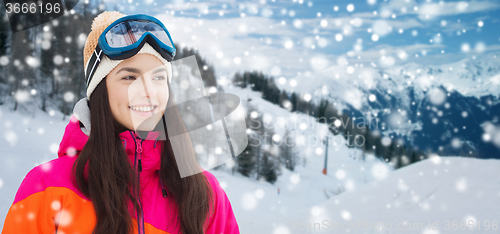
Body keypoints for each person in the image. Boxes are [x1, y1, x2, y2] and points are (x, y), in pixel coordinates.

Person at [2, 11, 239, 234]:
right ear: (100, 90)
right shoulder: (47, 187)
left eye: (158, 77)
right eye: (129, 77)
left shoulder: (205, 193)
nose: (148, 92)